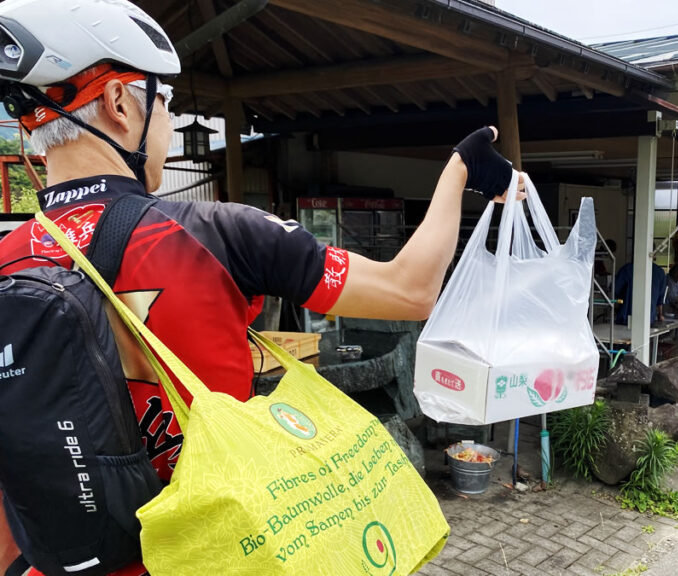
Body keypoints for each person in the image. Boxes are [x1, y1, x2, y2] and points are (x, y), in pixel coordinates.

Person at [0, 2, 524, 574]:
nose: (169, 121)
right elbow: (411, 289)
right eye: (165, 101)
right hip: (221, 558)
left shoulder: (7, 261)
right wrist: (461, 170)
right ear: (119, 102)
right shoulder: (216, 233)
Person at [613, 256, 668, 326]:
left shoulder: (627, 269)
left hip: (626, 318)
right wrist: (660, 315)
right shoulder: (659, 272)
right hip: (648, 319)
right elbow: (660, 299)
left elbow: (615, 290)